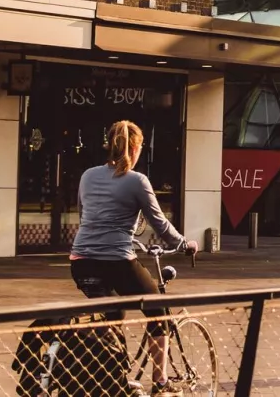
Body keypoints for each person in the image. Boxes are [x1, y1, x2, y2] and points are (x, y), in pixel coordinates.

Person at [70, 120, 196, 392]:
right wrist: (186, 244)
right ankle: (160, 382)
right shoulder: (138, 181)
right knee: (158, 312)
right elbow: (161, 226)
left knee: (112, 313)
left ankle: (109, 372)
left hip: (80, 261)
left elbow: (85, 217)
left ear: (109, 146)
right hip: (116, 260)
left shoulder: (87, 176)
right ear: (136, 148)